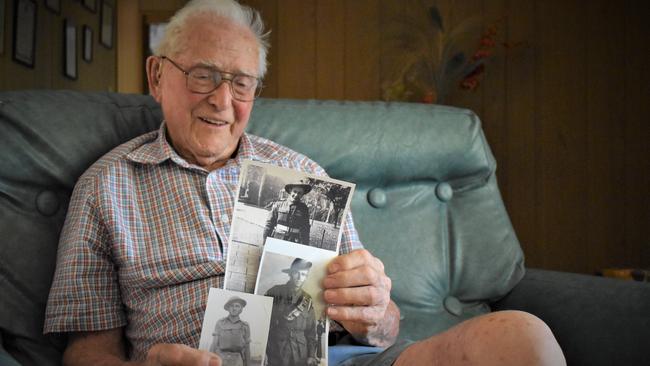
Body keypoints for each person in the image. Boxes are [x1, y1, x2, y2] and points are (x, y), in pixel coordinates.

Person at [44, 0, 566, 365]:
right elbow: (87, 351)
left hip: (332, 360)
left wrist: (375, 309)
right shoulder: (106, 186)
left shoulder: (303, 175)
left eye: (241, 83)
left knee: (523, 339)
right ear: (157, 76)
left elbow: (381, 328)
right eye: (203, 74)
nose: (223, 102)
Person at [264, 259, 319, 366]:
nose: (299, 278)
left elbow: (311, 332)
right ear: (290, 274)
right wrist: (263, 352)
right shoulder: (275, 292)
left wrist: (311, 355)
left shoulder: (308, 299)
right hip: (276, 351)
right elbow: (263, 324)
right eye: (296, 273)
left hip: (300, 353)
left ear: (306, 277)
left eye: (303, 274)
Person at [263, 180, 312, 245]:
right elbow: (269, 224)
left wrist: (304, 245)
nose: (296, 195)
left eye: (299, 193)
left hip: (293, 241)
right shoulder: (279, 205)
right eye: (294, 191)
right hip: (277, 238)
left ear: (302, 195)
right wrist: (265, 241)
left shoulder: (303, 209)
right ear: (290, 191)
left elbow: (305, 229)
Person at [209, 296, 250, 366]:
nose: (234, 309)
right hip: (221, 359)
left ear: (241, 309)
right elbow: (214, 344)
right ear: (228, 308)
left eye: (237, 306)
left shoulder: (245, 326)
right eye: (232, 306)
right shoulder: (220, 323)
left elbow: (247, 348)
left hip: (237, 361)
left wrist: (247, 364)